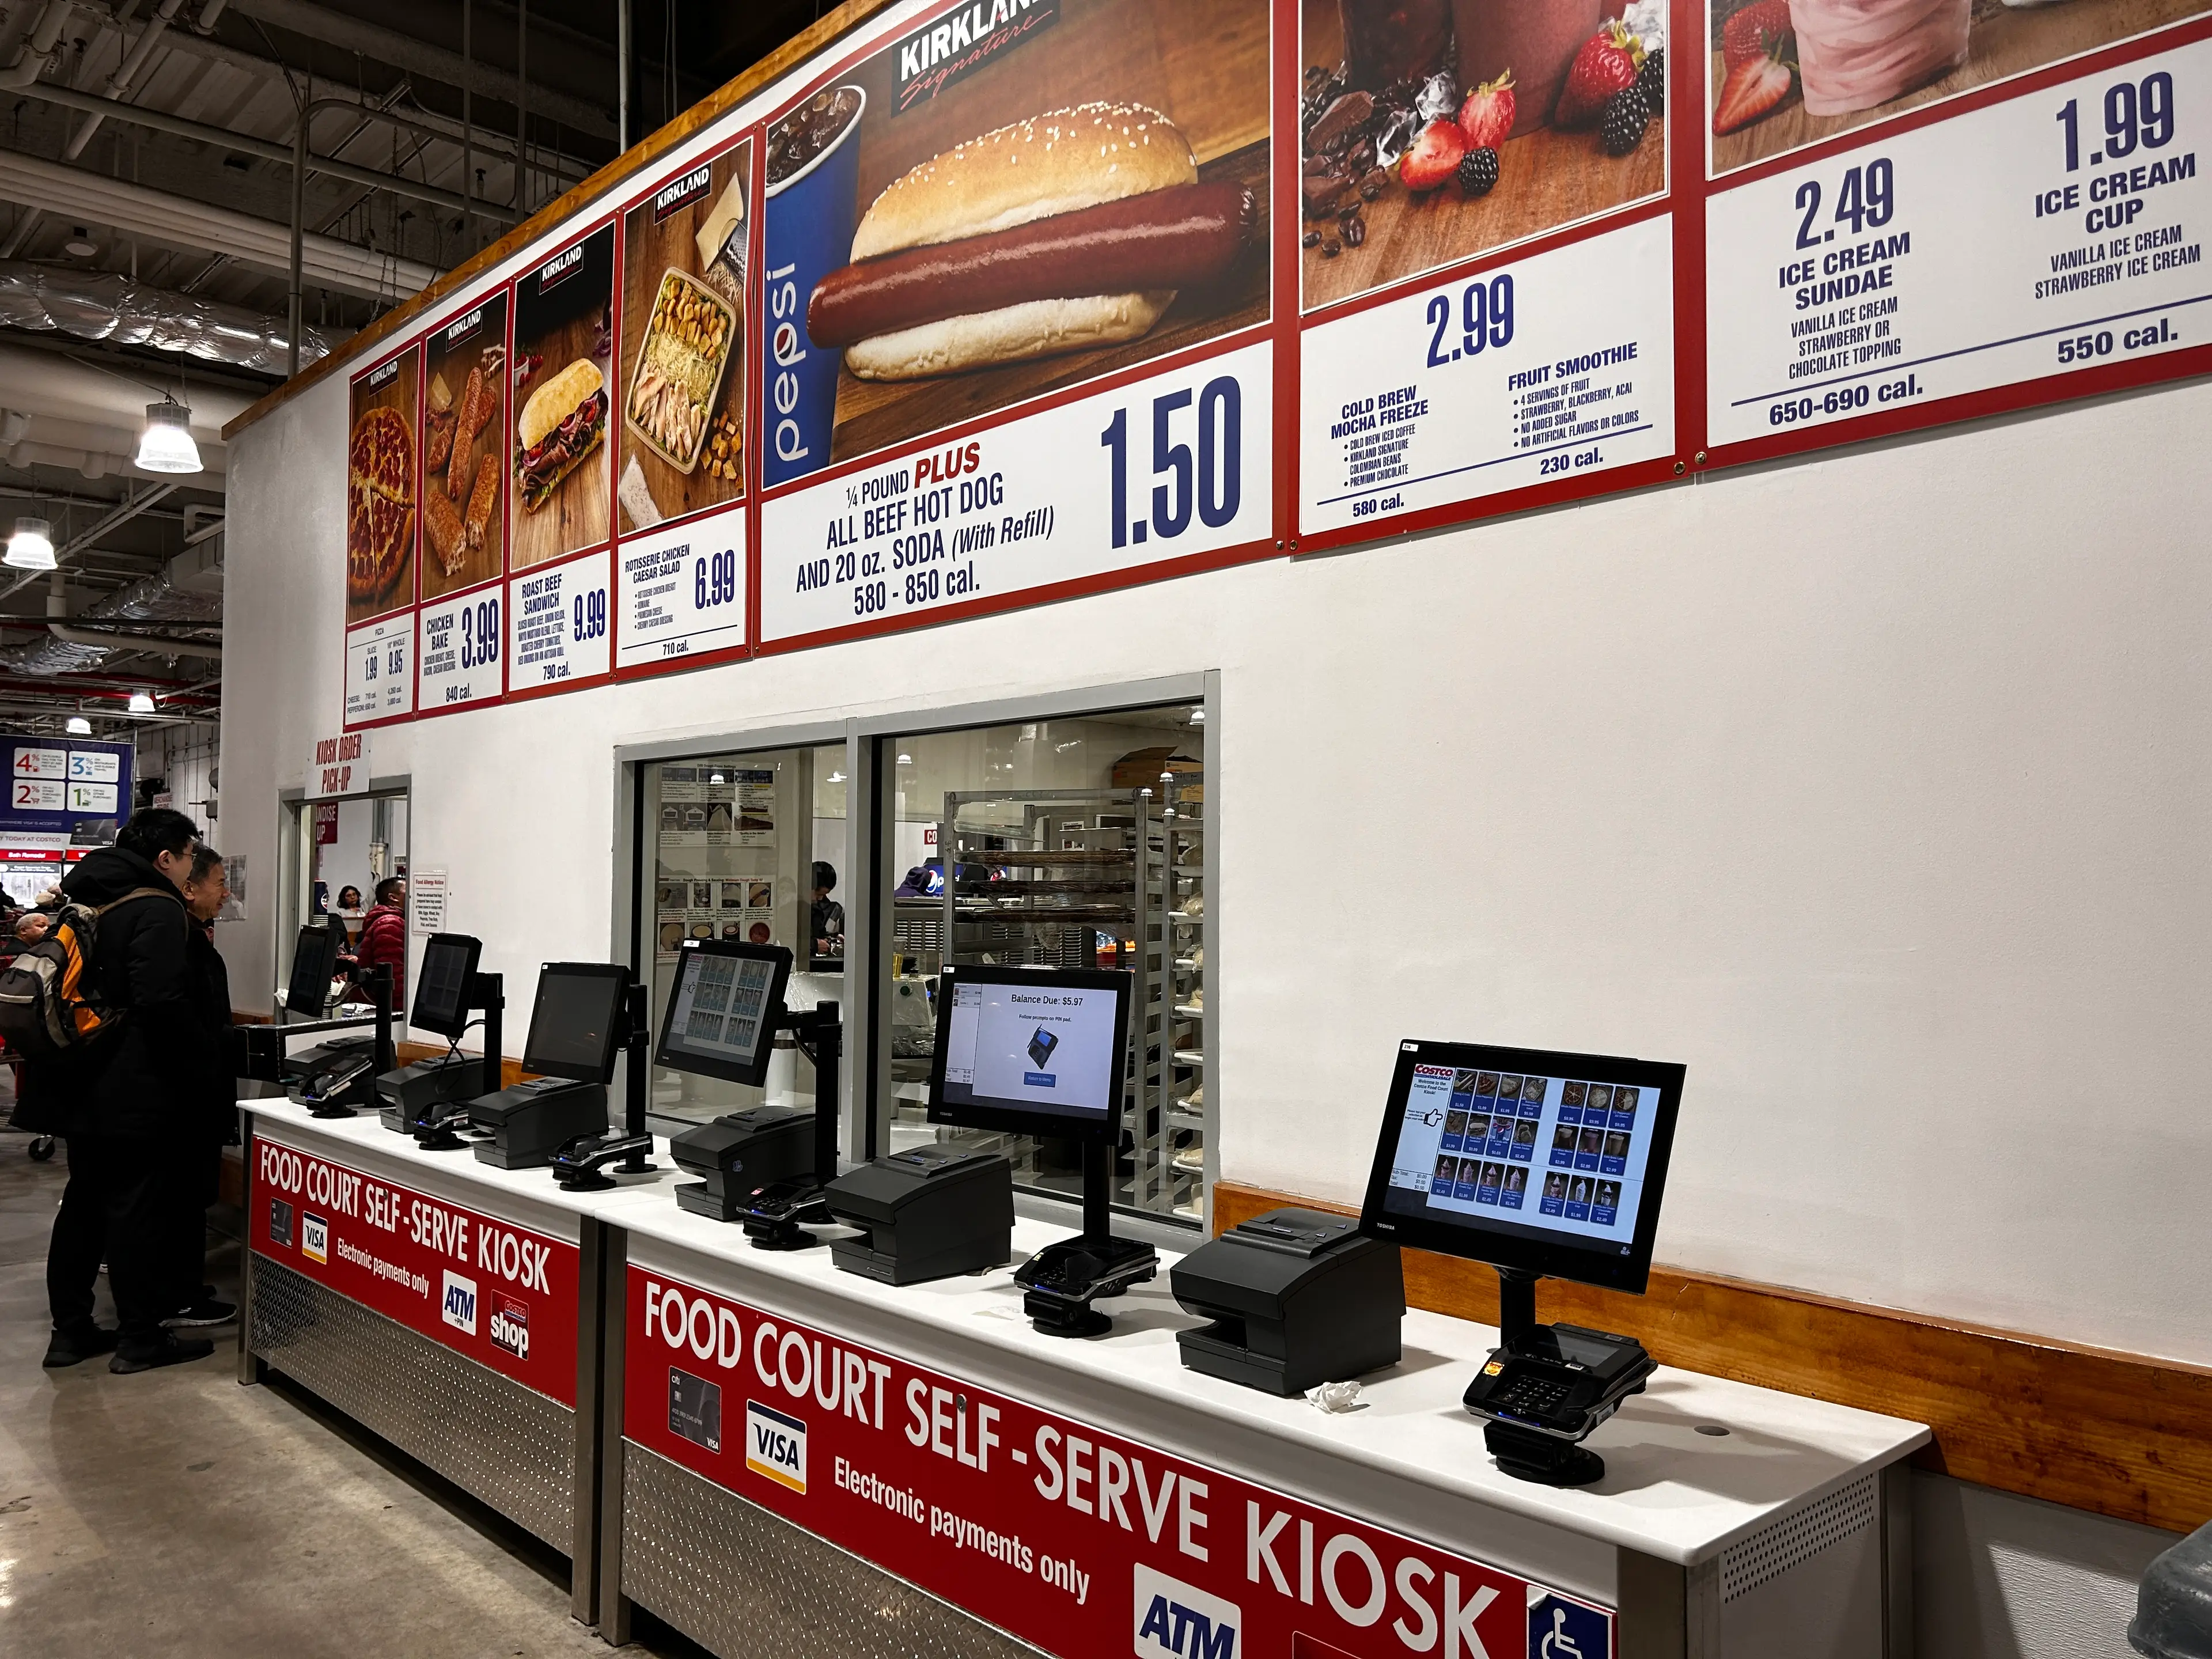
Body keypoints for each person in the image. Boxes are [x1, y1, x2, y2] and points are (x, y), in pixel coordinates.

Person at [26, 806, 221, 1372]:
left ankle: (71, 1331)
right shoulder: (156, 906)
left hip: (77, 1079)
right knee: (134, 1210)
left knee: (83, 1205)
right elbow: (159, 1000)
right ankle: (140, 1336)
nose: (190, 869)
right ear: (167, 857)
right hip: (131, 1087)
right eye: (188, 857)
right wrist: (202, 1057)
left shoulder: (87, 894)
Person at [167, 844, 238, 1330]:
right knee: (183, 1201)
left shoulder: (187, 938)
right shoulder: (183, 945)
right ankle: (181, 1296)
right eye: (218, 883)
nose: (225, 892)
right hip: (185, 1102)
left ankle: (182, 1289)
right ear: (190, 889)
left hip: (189, 1097)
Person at [342, 877, 406, 1011]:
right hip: (386, 1010)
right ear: (393, 898)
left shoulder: (392, 921)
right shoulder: (390, 924)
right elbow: (394, 983)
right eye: (408, 891)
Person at [809, 861, 844, 958]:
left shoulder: (816, 909)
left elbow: (820, 933)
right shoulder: (792, 909)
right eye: (819, 894)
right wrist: (814, 945)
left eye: (824, 895)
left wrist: (833, 938)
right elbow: (787, 940)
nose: (820, 899)